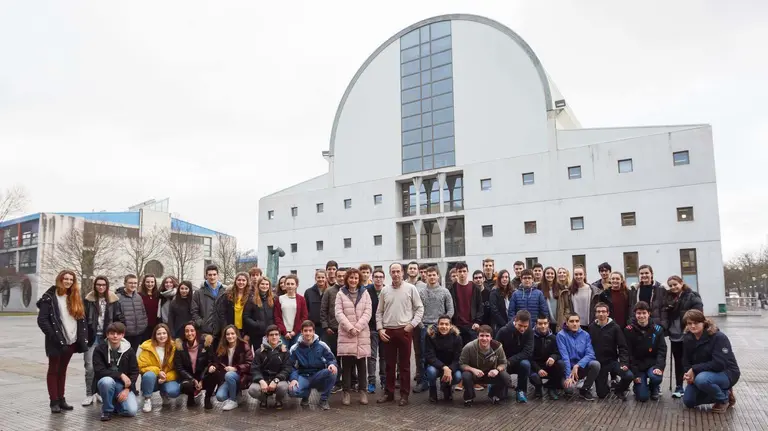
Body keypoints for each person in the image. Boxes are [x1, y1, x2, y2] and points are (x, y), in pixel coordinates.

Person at [37, 270, 88, 413]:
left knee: (63, 370)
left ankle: (61, 399)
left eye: (71, 279)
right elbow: (42, 320)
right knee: (53, 370)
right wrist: (54, 337)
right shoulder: (49, 297)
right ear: (59, 279)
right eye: (65, 278)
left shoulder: (75, 297)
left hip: (71, 341)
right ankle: (54, 401)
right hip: (55, 341)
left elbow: (80, 319)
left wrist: (81, 338)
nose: (68, 281)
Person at [376, 262, 424, 406]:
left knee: (404, 365)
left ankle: (404, 394)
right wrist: (380, 329)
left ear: (402, 272)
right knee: (389, 365)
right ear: (390, 273)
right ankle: (389, 393)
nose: (396, 274)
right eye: (393, 271)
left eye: (398, 271)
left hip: (404, 330)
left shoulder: (411, 289)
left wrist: (412, 324)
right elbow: (379, 312)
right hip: (388, 332)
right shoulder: (385, 291)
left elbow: (419, 308)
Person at [681, 310, 740, 413]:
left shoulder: (718, 337)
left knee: (701, 380)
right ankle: (723, 392)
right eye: (690, 323)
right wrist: (688, 374)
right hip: (702, 373)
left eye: (696, 323)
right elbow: (686, 360)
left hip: (726, 372)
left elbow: (719, 364)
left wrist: (694, 369)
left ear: (703, 322)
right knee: (689, 401)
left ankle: (723, 399)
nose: (693, 326)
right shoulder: (687, 338)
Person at [83, 275, 124, 406]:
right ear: (95, 286)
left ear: (107, 286)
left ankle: (100, 392)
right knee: (90, 367)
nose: (101, 287)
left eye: (103, 285)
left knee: (106, 366)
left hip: (108, 338)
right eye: (98, 284)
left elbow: (119, 318)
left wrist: (117, 335)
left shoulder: (114, 300)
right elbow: (82, 319)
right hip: (92, 337)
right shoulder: (88, 300)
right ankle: (89, 393)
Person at [413, 265, 454, 393]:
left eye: (434, 275)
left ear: (438, 276)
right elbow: (417, 310)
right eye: (429, 275)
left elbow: (451, 310)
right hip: (425, 327)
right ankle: (424, 382)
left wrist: (444, 324)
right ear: (426, 277)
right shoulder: (421, 293)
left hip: (442, 328)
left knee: (444, 355)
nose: (431, 277)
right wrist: (421, 325)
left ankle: (444, 382)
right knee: (424, 356)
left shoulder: (445, 292)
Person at [335, 268, 373, 405]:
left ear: (359, 280)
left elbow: (368, 312)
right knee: (347, 366)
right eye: (351, 278)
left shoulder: (365, 293)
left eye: (356, 278)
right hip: (346, 334)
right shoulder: (340, 294)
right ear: (347, 279)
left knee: (362, 365)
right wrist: (350, 327)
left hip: (361, 333)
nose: (353, 280)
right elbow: (338, 313)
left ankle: (363, 391)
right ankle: (346, 392)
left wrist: (358, 327)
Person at [662, 275, 703, 398]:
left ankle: (694, 383)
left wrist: (691, 327)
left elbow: (698, 314)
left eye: (675, 284)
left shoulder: (692, 296)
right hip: (674, 335)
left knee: (690, 360)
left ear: (682, 283)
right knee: (678, 361)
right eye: (671, 286)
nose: (673, 287)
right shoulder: (669, 297)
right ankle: (679, 385)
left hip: (688, 334)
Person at [447, 261, 484, 392]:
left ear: (467, 272)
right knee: (459, 354)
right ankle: (462, 381)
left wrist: (477, 321)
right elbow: (449, 308)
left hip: (471, 326)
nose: (462, 274)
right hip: (457, 326)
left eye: (464, 271)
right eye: (459, 272)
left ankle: (474, 381)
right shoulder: (452, 289)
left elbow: (480, 307)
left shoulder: (474, 287)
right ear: (456, 273)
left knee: (473, 354)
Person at [288, 320, 339, 410]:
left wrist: (331, 364)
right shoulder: (295, 348)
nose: (308, 333)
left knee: (333, 371)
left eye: (310, 330)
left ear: (314, 332)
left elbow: (331, 359)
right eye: (305, 331)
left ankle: (323, 400)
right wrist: (293, 379)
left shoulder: (322, 345)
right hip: (303, 376)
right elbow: (290, 366)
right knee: (292, 391)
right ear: (301, 332)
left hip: (318, 375)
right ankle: (305, 395)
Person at [93, 322, 139, 421]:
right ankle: (107, 410)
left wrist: (127, 389)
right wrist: (120, 374)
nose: (115, 336)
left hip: (122, 385)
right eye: (112, 333)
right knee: (107, 381)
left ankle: (113, 404)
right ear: (107, 334)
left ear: (122, 335)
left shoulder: (129, 350)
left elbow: (135, 371)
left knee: (131, 411)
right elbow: (99, 371)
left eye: (118, 333)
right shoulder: (99, 349)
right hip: (106, 383)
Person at [588, 302, 632, 400]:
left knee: (628, 376)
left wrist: (624, 363)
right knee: (602, 394)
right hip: (599, 364)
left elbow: (622, 347)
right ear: (595, 314)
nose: (601, 314)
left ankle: (618, 389)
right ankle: (607, 386)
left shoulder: (615, 328)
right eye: (598, 312)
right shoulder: (591, 327)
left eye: (603, 311)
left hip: (612, 361)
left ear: (608, 313)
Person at [623, 301, 666, 402]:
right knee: (642, 398)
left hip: (653, 364)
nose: (641, 316)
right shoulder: (629, 330)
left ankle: (654, 387)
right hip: (638, 366)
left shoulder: (658, 329)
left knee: (656, 378)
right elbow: (629, 353)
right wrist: (635, 374)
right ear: (635, 314)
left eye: (644, 313)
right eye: (638, 313)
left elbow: (662, 350)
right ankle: (638, 386)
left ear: (649, 313)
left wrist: (659, 367)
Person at [459, 325, 511, 406]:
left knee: (506, 377)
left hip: (491, 374)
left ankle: (494, 394)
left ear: (491, 337)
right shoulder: (468, 347)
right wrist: (473, 370)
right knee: (465, 375)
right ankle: (469, 397)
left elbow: (504, 363)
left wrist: (496, 370)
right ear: (477, 337)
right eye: (481, 336)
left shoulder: (498, 347)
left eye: (487, 336)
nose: (484, 338)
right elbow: (462, 364)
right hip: (475, 374)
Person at [557, 312, 600, 401]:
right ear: (567, 323)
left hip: (581, 367)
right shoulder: (561, 335)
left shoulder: (585, 335)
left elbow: (590, 354)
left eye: (577, 321)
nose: (575, 323)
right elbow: (565, 357)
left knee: (595, 364)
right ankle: (563, 381)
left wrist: (578, 365)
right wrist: (568, 377)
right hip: (568, 368)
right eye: (572, 321)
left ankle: (585, 389)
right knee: (570, 390)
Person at [138, 323, 180, 412]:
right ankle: (147, 399)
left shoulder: (174, 348)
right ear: (155, 335)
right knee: (148, 375)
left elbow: (177, 368)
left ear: (168, 334)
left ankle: (164, 393)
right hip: (153, 379)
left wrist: (166, 377)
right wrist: (158, 372)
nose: (162, 336)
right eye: (159, 334)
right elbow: (141, 366)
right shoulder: (147, 347)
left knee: (174, 391)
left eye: (164, 333)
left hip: (167, 378)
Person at [174, 322, 217, 409]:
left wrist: (201, 379)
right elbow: (179, 368)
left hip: (203, 375)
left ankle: (207, 398)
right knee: (186, 385)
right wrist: (192, 379)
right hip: (189, 377)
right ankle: (191, 396)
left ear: (196, 332)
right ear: (184, 333)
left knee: (214, 374)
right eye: (187, 331)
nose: (189, 333)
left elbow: (210, 362)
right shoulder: (180, 347)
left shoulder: (206, 344)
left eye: (192, 331)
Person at [248, 325, 292, 409]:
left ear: (279, 336)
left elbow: (287, 369)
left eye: (276, 334)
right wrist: (261, 380)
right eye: (271, 335)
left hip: (278, 380)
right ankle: (263, 399)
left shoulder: (285, 351)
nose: (274, 337)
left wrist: (276, 380)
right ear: (267, 337)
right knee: (252, 390)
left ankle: (278, 400)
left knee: (283, 387)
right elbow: (254, 369)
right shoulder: (259, 351)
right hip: (263, 379)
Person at [211, 325, 253, 411]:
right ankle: (237, 394)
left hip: (241, 376)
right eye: (228, 334)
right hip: (226, 377)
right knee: (220, 397)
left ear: (236, 334)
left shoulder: (244, 345)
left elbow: (250, 364)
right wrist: (213, 366)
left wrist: (236, 368)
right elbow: (217, 362)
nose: (230, 336)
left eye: (232, 333)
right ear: (225, 336)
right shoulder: (222, 347)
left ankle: (233, 400)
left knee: (229, 375)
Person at [495, 310, 534, 403]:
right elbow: (496, 349)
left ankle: (521, 391)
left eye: (525, 326)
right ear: (515, 320)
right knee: (502, 397)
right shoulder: (503, 331)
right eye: (520, 325)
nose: (522, 329)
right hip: (503, 362)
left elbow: (527, 352)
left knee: (526, 364)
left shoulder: (529, 332)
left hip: (519, 362)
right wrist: (504, 362)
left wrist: (511, 361)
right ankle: (499, 386)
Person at [423, 314, 463, 402]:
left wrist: (450, 369)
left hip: (451, 366)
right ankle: (432, 390)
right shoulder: (430, 336)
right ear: (437, 325)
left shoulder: (457, 337)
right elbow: (429, 356)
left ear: (451, 326)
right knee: (431, 372)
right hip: (436, 366)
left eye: (446, 324)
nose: (444, 327)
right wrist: (444, 367)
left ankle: (446, 386)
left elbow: (458, 358)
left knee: (458, 376)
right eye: (441, 324)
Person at [530, 314, 564, 400]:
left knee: (560, 364)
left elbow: (558, 353)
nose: (543, 326)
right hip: (535, 366)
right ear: (536, 324)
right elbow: (528, 356)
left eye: (545, 323)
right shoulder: (530, 337)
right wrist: (538, 369)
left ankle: (552, 388)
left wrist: (553, 357)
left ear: (548, 324)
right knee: (533, 376)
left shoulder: (553, 337)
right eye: (540, 324)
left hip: (548, 365)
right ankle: (538, 387)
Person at [320, 263, 342, 392]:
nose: (340, 278)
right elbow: (323, 310)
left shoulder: (348, 290)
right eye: (338, 276)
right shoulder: (329, 291)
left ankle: (350, 381)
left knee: (347, 357)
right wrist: (325, 326)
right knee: (332, 357)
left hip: (346, 330)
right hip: (332, 330)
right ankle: (335, 381)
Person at [215, 272, 252, 343]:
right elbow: (222, 313)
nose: (241, 282)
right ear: (235, 281)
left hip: (244, 330)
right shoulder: (227, 295)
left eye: (243, 280)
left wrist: (248, 333)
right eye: (239, 280)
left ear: (247, 282)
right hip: (230, 330)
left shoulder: (251, 296)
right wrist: (225, 329)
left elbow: (253, 315)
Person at [406, 261, 426, 388]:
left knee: (419, 352)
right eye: (410, 268)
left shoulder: (424, 286)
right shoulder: (403, 285)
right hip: (405, 322)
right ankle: (401, 376)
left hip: (419, 323)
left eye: (415, 268)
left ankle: (420, 375)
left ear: (418, 271)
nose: (412, 270)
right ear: (407, 271)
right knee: (403, 352)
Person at [274, 275, 309, 350]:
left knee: (295, 355)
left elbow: (304, 316)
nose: (290, 286)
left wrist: (294, 331)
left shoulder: (301, 299)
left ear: (296, 285)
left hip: (297, 333)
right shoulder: (280, 299)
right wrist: (284, 332)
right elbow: (277, 317)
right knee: (283, 354)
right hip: (283, 333)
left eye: (292, 284)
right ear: (285, 285)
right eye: (288, 284)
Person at [367, 268, 387, 393]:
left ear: (384, 278)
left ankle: (384, 380)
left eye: (381, 277)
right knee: (372, 357)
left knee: (384, 356)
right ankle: (372, 382)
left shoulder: (387, 290)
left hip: (385, 329)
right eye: (376, 277)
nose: (378, 279)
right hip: (371, 329)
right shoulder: (367, 291)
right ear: (372, 278)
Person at [192, 264, 224, 341]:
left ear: (218, 275)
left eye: (214, 274)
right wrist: (201, 323)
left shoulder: (224, 292)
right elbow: (194, 311)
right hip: (205, 333)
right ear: (206, 276)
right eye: (209, 275)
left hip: (221, 332)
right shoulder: (198, 293)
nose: (212, 277)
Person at [116, 274, 148, 349]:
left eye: (135, 283)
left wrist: (143, 326)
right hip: (125, 334)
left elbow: (143, 313)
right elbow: (116, 316)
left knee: (133, 356)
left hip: (138, 334)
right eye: (130, 283)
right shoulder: (118, 297)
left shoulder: (138, 297)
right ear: (125, 284)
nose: (133, 285)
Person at [243, 276, 275, 346]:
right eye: (262, 284)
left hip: (271, 333)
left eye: (267, 284)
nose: (265, 286)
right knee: (259, 354)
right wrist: (256, 324)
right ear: (258, 285)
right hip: (257, 333)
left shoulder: (274, 298)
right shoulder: (251, 299)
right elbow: (246, 316)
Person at [569, 266, 600, 330]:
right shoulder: (569, 291)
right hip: (575, 325)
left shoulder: (593, 290)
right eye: (576, 274)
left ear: (584, 275)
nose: (578, 276)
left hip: (590, 324)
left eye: (580, 274)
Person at [139, 274, 161, 342]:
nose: (150, 284)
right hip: (144, 327)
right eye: (147, 282)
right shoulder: (139, 295)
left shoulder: (158, 295)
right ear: (144, 283)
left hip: (156, 326)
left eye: (152, 282)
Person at [538, 267, 559, 332]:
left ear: (555, 275)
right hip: (545, 322)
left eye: (552, 273)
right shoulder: (539, 287)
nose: (550, 275)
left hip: (558, 321)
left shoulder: (560, 287)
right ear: (544, 275)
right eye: (548, 273)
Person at [554, 268, 573, 333]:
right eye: (560, 273)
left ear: (567, 275)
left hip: (566, 318)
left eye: (564, 272)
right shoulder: (554, 288)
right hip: (554, 317)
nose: (562, 274)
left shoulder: (570, 287)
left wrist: (565, 318)